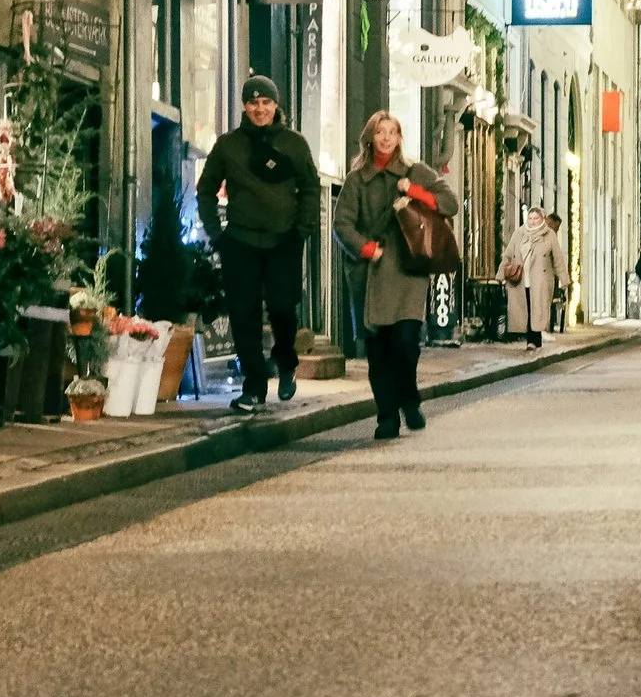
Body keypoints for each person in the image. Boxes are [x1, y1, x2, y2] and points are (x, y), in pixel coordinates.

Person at [197, 75, 321, 415]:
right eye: (253, 102)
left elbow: (310, 187)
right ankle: (253, 387)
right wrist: (215, 232)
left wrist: (302, 229)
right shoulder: (228, 145)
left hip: (284, 240)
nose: (260, 108)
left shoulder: (294, 144)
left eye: (266, 102)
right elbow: (205, 189)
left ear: (276, 105)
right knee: (243, 314)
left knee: (283, 307)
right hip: (239, 240)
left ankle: (286, 360)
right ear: (244, 106)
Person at [333, 110, 460, 439]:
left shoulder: (416, 172)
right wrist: (366, 249)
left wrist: (414, 192)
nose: (386, 138)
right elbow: (342, 225)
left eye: (392, 132)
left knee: (406, 343)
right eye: (380, 132)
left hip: (408, 269)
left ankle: (409, 398)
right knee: (378, 351)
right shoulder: (356, 179)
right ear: (370, 138)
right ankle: (386, 416)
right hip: (370, 273)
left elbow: (450, 203)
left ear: (400, 138)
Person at [501, 208, 570, 349]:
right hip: (521, 278)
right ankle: (532, 339)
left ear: (542, 220)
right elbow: (508, 254)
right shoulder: (519, 233)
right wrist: (501, 274)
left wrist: (564, 279)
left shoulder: (549, 235)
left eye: (536, 218)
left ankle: (532, 341)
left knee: (536, 309)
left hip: (540, 280)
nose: (532, 221)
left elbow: (558, 259)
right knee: (525, 309)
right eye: (530, 218)